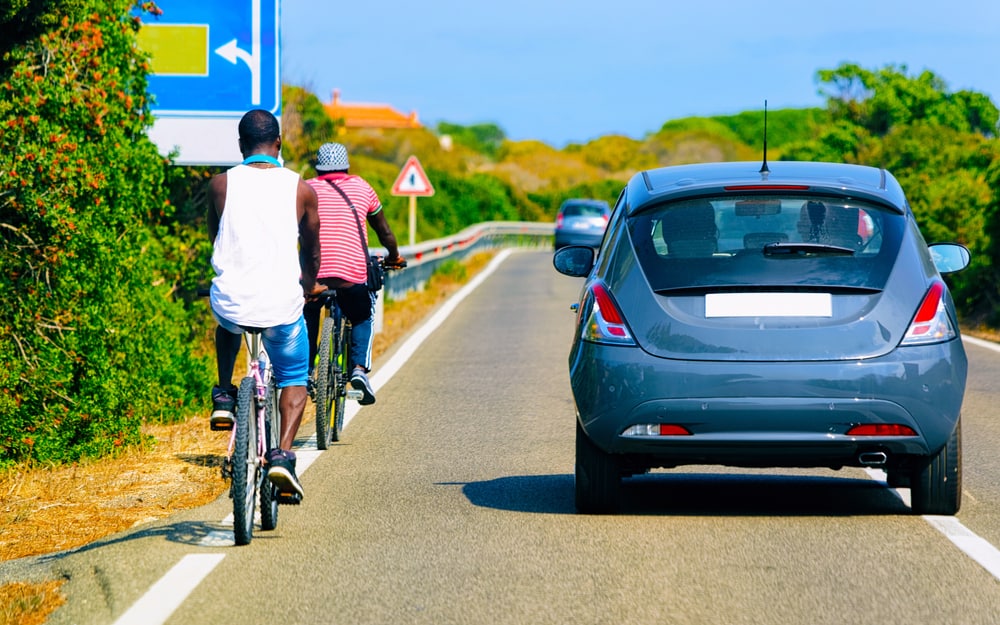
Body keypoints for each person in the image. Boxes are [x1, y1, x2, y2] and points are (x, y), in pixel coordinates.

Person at [207, 109, 322, 500]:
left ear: (241, 146)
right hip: (280, 306)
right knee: (293, 376)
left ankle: (223, 394)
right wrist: (307, 285)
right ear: (279, 145)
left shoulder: (220, 185)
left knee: (227, 322)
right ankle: (282, 456)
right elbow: (312, 250)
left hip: (232, 301)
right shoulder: (301, 189)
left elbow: (216, 239)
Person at [303, 142, 406, 406]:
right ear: (347, 165)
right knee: (362, 315)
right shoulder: (362, 187)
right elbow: (384, 232)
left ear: (318, 168)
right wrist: (394, 256)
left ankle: (304, 372)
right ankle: (359, 369)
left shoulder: (306, 189)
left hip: (313, 276)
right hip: (351, 275)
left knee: (309, 313)